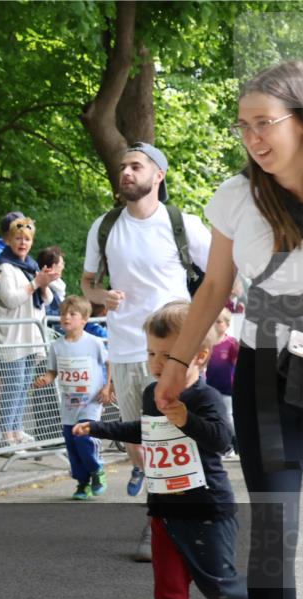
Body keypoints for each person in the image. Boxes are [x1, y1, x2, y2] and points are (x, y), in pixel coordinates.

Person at [155, 60, 303, 599]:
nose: (253, 138)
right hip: (266, 374)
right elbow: (213, 287)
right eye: (243, 126)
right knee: (273, 536)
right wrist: (175, 362)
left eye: (264, 123)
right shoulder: (237, 196)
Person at [78, 302, 252, 599]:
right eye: (151, 353)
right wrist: (99, 427)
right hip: (164, 512)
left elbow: (223, 441)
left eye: (168, 355)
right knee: (169, 597)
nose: (157, 363)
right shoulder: (151, 395)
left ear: (200, 355)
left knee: (222, 590)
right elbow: (144, 430)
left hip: (206, 512)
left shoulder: (206, 398)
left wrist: (188, 419)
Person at [81, 142, 211, 559]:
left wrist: (211, 322)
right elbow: (86, 283)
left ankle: (164, 521)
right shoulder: (104, 226)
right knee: (138, 443)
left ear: (158, 175)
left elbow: (223, 274)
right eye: (123, 167)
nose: (126, 172)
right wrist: (101, 294)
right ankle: (170, 506)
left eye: (136, 166)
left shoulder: (183, 224)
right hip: (123, 346)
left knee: (172, 434)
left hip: (174, 349)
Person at [33, 296, 111, 500]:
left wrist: (107, 386)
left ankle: (97, 470)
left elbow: (111, 363)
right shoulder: (57, 346)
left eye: (72, 314)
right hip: (69, 404)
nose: (66, 317)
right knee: (72, 445)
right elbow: (53, 371)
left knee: (84, 438)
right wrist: (45, 379)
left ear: (84, 319)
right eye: (63, 314)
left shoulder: (93, 343)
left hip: (91, 402)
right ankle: (82, 483)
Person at [0, 216, 58, 445]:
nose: (22, 243)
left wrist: (44, 284)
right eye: (18, 238)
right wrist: (36, 283)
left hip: (31, 336)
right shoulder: (5, 266)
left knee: (23, 384)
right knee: (13, 384)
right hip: (14, 337)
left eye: (27, 239)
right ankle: (6, 433)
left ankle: (17, 429)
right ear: (9, 240)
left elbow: (46, 301)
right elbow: (9, 299)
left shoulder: (30, 266)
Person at [206, 308, 239, 457]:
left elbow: (238, 364)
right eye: (213, 322)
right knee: (214, 418)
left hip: (227, 388)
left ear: (227, 324)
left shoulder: (231, 343)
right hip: (210, 387)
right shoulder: (207, 343)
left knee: (228, 417)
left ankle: (236, 441)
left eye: (219, 322)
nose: (215, 325)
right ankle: (224, 446)